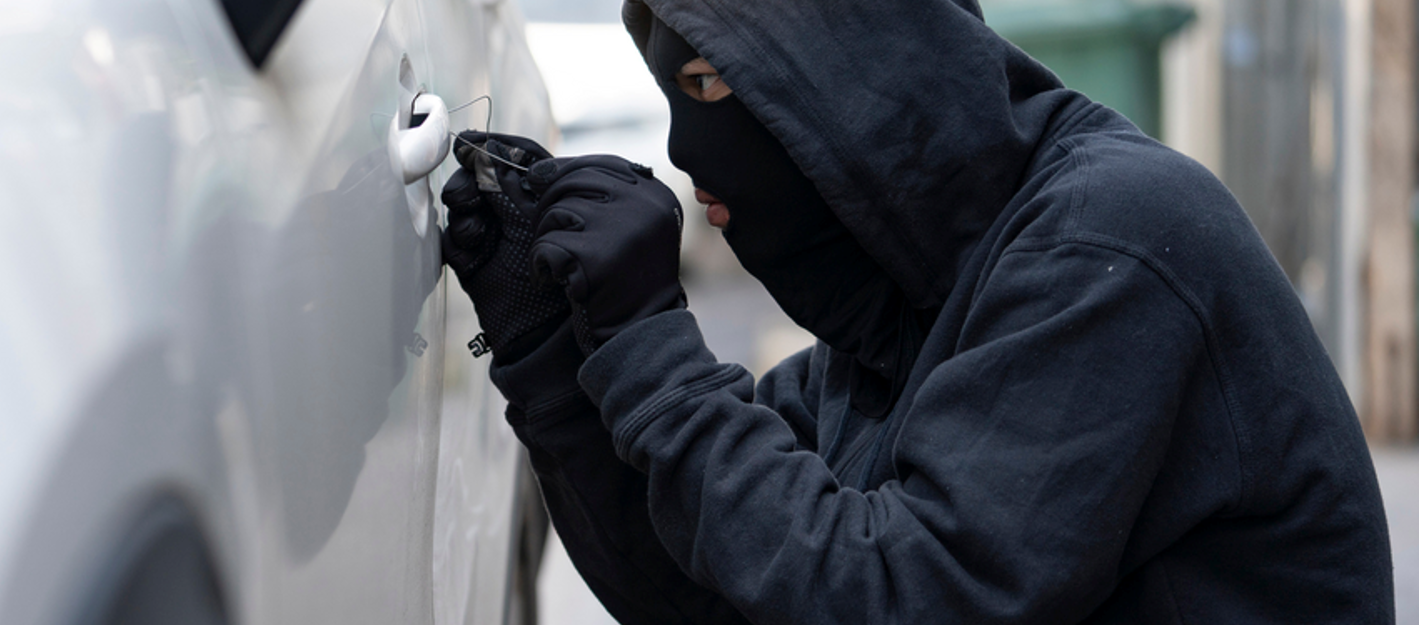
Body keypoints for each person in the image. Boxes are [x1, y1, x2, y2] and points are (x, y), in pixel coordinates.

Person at [437, 0, 1395, 621]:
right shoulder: (894, 322)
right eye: (671, 93)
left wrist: (653, 342)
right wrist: (550, 345)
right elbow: (714, 591)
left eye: (711, 83)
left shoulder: (1112, 244)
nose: (687, 149)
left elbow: (910, 596)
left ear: (853, 79)